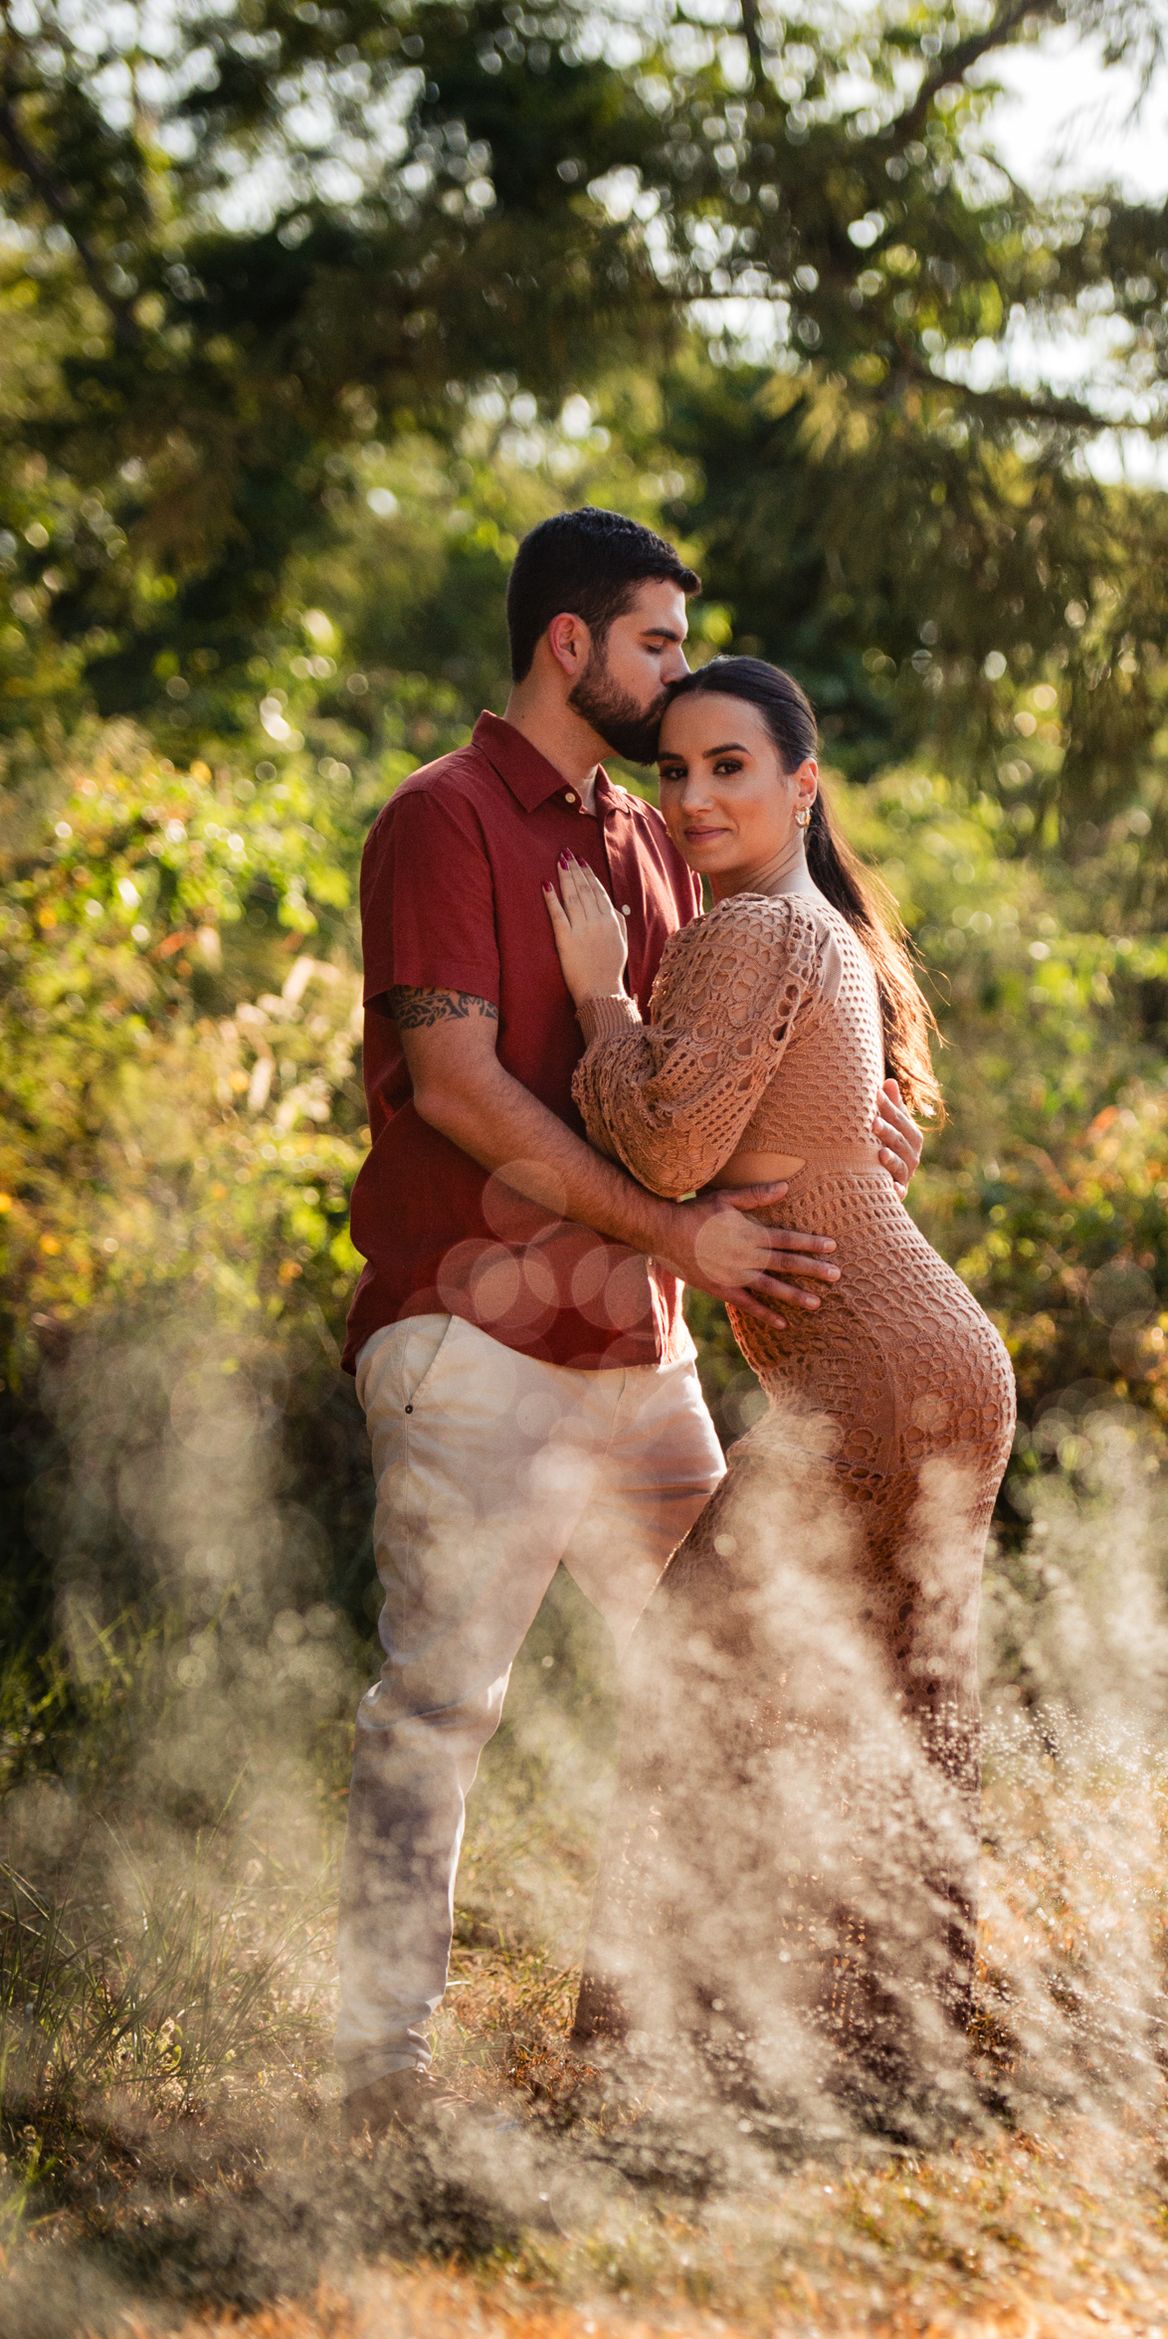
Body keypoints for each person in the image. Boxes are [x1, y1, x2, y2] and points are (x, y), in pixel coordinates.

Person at [336, 511, 924, 2138]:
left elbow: (696, 1084)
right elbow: (459, 1089)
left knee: (734, 1671)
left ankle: (737, 2022)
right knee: (443, 1705)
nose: (679, 675)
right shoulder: (439, 820)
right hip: (469, 1340)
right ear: (571, 645)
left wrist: (847, 1126)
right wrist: (680, 1230)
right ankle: (380, 2066)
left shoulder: (656, 840)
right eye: (660, 642)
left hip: (638, 1356)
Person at [547, 656, 1016, 2134]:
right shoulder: (811, 928)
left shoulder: (749, 928)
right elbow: (825, 1143)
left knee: (700, 1675)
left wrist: (599, 1002)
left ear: (799, 785)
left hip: (874, 1379)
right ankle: (910, 2044)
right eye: (672, 771)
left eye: (726, 767)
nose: (691, 797)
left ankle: (667, 2043)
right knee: (897, 1692)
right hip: (940, 1364)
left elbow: (674, 1148)